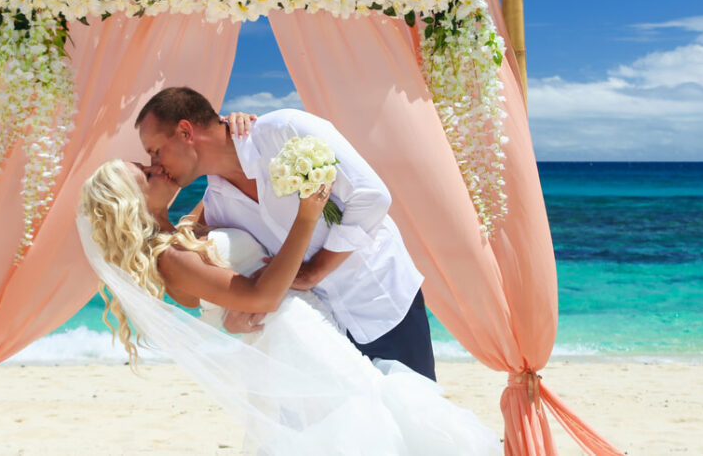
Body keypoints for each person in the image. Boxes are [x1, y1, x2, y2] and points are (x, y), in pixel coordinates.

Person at [77, 158, 501, 455]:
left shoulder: (184, 232)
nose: (158, 167)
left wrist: (236, 135)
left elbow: (224, 183)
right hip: (294, 338)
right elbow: (260, 299)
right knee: (357, 419)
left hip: (305, 328)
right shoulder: (168, 258)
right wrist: (306, 216)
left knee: (363, 413)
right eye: (146, 174)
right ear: (127, 202)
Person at [135, 87, 436, 380]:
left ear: (186, 132)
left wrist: (314, 271)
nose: (156, 165)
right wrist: (234, 317)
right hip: (321, 334)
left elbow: (372, 197)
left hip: (382, 301)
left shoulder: (285, 130)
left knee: (418, 422)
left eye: (155, 151)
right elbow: (208, 285)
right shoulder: (217, 208)